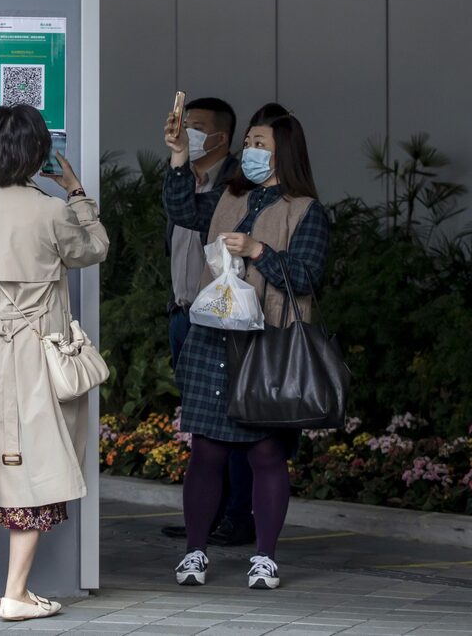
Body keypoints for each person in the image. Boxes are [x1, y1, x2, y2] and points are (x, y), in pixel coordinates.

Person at [0, 105, 109, 622]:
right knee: (35, 469)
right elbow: (95, 248)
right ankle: (17, 593)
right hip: (39, 356)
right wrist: (76, 191)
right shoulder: (52, 211)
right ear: (38, 154)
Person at [163, 103, 330, 590]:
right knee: (206, 452)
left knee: (265, 455)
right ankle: (195, 553)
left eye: (260, 144)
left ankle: (265, 558)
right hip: (213, 337)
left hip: (266, 346)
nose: (250, 151)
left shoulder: (306, 210)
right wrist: (179, 158)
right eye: (249, 143)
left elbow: (306, 277)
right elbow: (181, 210)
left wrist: (258, 251)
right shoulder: (228, 196)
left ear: (284, 154)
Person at [162, 97, 256, 548]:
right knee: (201, 424)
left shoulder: (237, 185)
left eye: (196, 127)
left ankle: (237, 515)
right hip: (184, 314)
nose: (188, 133)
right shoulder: (184, 178)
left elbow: (189, 215)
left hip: (224, 321)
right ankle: (208, 513)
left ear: (221, 136)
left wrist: (180, 160)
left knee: (232, 423)